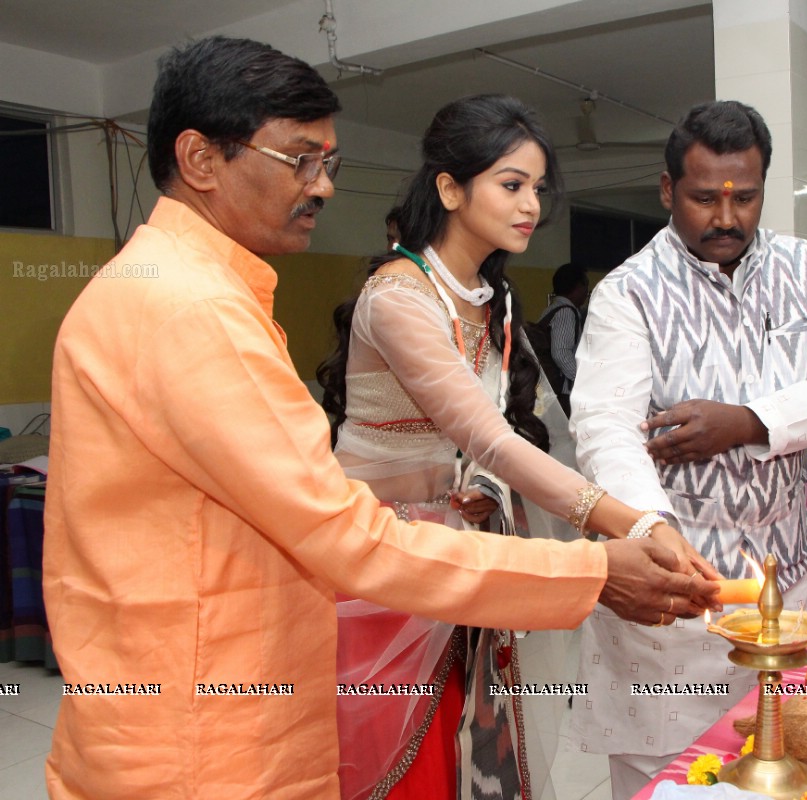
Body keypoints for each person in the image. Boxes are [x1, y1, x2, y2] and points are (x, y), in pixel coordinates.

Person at [42, 38, 717, 800]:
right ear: (200, 160)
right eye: (299, 160)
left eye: (327, 162)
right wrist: (593, 568)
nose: (323, 187)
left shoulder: (175, 287)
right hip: (208, 741)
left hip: (203, 699)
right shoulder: (190, 308)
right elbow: (349, 535)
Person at [316, 94, 719, 800]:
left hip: (467, 554)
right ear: (449, 188)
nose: (531, 204)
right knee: (401, 766)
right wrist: (631, 522)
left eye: (536, 188)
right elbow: (491, 439)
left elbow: (520, 439)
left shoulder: (490, 300)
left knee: (480, 751)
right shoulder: (399, 297)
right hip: (386, 563)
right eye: (511, 184)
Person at [568, 100, 807, 799]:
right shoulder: (628, 294)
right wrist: (654, 531)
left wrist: (746, 420)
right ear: (667, 189)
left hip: (781, 580)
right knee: (668, 783)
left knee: (787, 768)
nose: (727, 217)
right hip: (674, 591)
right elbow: (606, 427)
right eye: (705, 198)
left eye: (746, 197)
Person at [534, 262, 588, 412]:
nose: (586, 292)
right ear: (577, 287)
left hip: (548, 389)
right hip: (561, 392)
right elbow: (561, 353)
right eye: (585, 286)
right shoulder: (566, 312)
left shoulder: (552, 309)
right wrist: (583, 379)